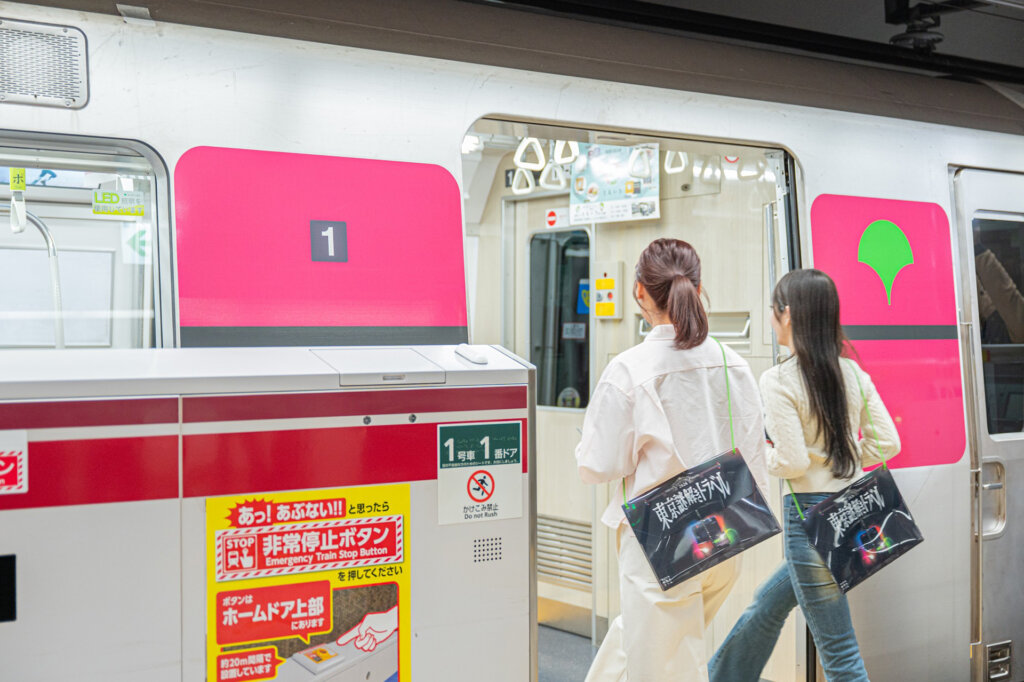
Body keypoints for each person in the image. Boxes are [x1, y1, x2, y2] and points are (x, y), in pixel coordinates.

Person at [576, 238, 769, 682]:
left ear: (640, 292)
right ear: (698, 290)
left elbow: (596, 466)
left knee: (664, 667)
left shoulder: (631, 368)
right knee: (642, 644)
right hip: (725, 534)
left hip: (660, 543)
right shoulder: (732, 362)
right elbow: (753, 456)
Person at [708, 269, 901, 682]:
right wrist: (841, 459)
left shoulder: (779, 379)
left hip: (811, 519)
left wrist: (758, 457)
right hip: (853, 512)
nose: (771, 319)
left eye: (773, 311)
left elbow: (792, 462)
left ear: (789, 314)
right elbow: (889, 442)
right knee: (768, 604)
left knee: (839, 650)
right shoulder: (853, 372)